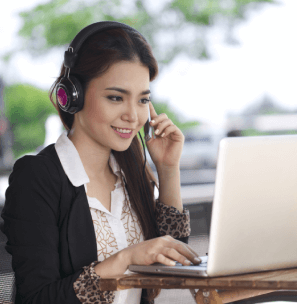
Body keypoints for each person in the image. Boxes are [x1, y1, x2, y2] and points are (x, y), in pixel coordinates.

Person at [1, 21, 201, 304]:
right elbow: (38, 298)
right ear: (73, 95)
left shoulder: (132, 169)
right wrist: (126, 259)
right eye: (116, 97)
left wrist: (168, 169)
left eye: (142, 100)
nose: (133, 116)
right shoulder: (36, 177)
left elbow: (174, 255)